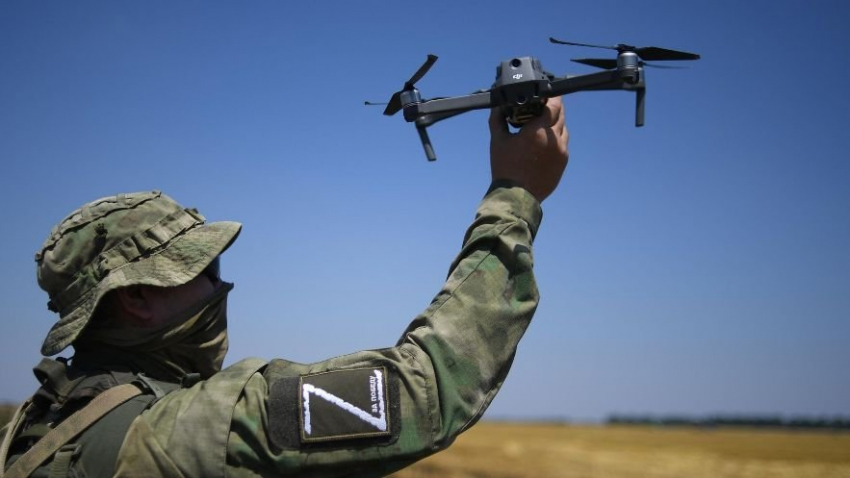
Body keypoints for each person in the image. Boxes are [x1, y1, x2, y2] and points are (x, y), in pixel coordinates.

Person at [0, 98, 569, 478]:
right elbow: (426, 390)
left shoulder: (31, 429)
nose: (221, 288)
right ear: (138, 297)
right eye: (202, 272)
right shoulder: (181, 431)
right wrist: (515, 196)